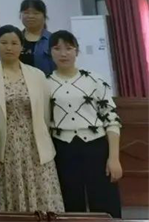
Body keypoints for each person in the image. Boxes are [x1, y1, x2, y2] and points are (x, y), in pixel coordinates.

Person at [0, 25, 64, 213]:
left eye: (14, 43)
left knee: (42, 193)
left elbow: (45, 113)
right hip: (5, 147)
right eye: (4, 43)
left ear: (22, 46)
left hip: (35, 144)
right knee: (11, 194)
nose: (9, 47)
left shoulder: (37, 75)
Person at [48, 30, 122, 218]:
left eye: (69, 48)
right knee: (71, 203)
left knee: (105, 202)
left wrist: (114, 158)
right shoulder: (45, 83)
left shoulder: (94, 80)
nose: (63, 54)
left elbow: (112, 119)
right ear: (50, 52)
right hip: (63, 149)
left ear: (77, 51)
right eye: (57, 48)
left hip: (95, 146)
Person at [20, 0, 55, 75]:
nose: (30, 16)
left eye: (36, 13)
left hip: (46, 81)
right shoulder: (15, 39)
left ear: (44, 16)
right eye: (26, 13)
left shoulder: (53, 39)